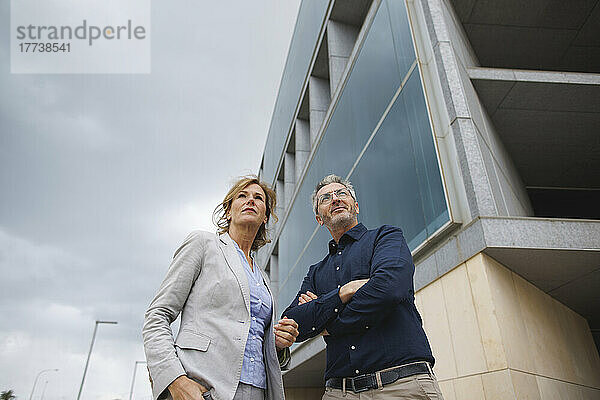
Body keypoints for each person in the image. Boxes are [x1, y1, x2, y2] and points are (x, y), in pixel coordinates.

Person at [282, 174, 443, 399]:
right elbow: (294, 322)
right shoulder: (315, 272)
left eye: (341, 194)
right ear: (319, 218)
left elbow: (388, 290)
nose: (335, 199)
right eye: (326, 198)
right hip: (339, 392)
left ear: (355, 206)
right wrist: (343, 293)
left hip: (401, 385)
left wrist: (325, 321)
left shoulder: (386, 238)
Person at [143, 176, 299, 400]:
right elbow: (157, 315)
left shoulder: (262, 278)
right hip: (204, 387)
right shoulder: (203, 244)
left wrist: (278, 345)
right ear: (228, 211)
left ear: (265, 217)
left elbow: (252, 337)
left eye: (258, 198)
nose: (250, 201)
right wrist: (175, 380)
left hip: (259, 391)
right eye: (242, 196)